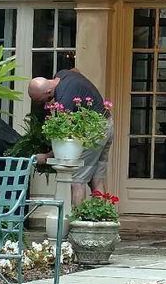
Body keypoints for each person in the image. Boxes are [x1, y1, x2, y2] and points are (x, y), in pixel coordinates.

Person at [28, 69, 113, 206]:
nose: (44, 104)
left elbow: (66, 141)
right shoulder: (62, 74)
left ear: (48, 92)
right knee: (97, 177)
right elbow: (76, 70)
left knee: (77, 180)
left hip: (94, 132)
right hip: (106, 123)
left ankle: (77, 218)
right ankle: (101, 215)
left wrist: (47, 156)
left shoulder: (64, 99)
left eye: (42, 100)